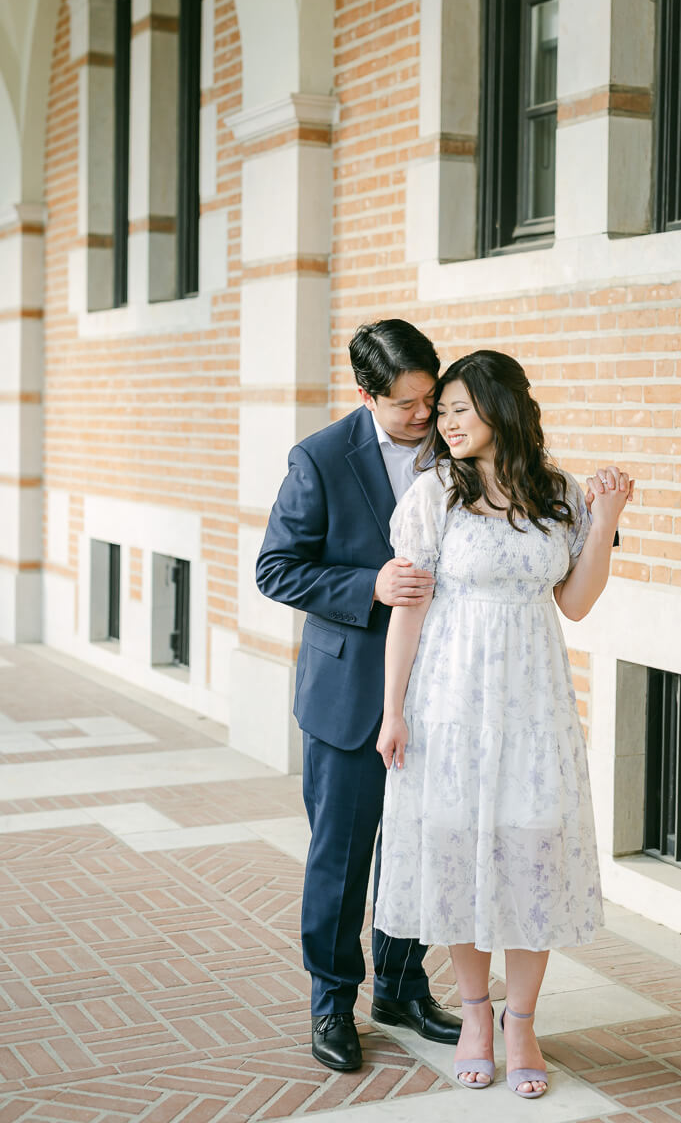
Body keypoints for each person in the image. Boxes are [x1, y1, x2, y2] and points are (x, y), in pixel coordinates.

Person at [374, 350, 633, 1098]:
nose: (445, 423)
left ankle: (522, 1022)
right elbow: (410, 608)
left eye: (459, 409)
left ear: (502, 409)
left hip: (534, 704)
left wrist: (606, 519)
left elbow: (576, 602)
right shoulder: (434, 497)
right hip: (451, 703)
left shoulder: (559, 493)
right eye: (442, 412)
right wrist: (393, 710)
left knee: (529, 854)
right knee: (458, 849)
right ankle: (478, 1015)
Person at [255, 319, 462, 1073]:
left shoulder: (460, 440)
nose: (423, 416)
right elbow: (276, 567)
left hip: (443, 692)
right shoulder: (318, 459)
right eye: (406, 403)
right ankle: (332, 1005)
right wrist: (366, 585)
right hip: (349, 695)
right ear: (367, 394)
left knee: (422, 848)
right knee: (341, 860)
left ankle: (404, 988)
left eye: (430, 399)